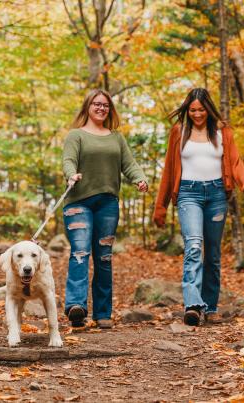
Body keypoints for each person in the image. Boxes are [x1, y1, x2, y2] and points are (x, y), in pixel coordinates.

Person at [153, 88, 244, 326]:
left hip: (217, 194)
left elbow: (236, 162)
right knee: (194, 245)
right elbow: (169, 169)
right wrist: (161, 206)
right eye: (192, 110)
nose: (197, 114)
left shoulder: (223, 131)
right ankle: (192, 304)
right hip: (189, 193)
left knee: (213, 253)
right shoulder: (179, 131)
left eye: (201, 109)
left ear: (208, 109)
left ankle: (210, 307)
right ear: (187, 110)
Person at [62, 89, 148, 329]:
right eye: (96, 104)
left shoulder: (116, 138)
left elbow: (129, 164)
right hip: (78, 202)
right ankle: (76, 307)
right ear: (88, 106)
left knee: (104, 257)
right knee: (80, 252)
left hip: (107, 203)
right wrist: (71, 175)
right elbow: (68, 160)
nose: (101, 108)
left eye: (105, 105)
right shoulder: (76, 135)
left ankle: (103, 313)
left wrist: (139, 179)